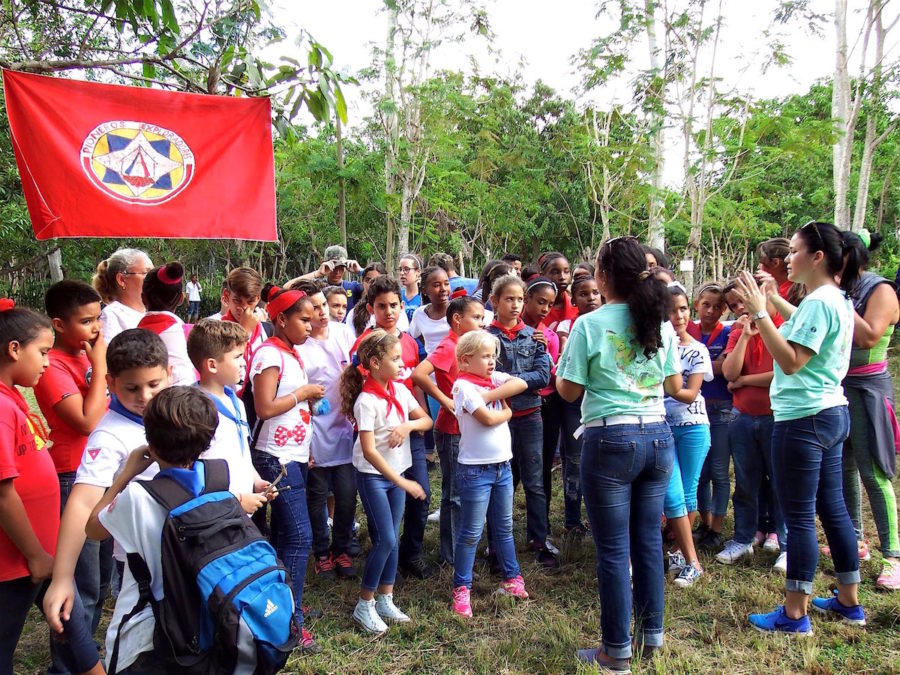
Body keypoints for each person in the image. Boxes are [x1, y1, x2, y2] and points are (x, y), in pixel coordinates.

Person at [734, 221, 865, 635]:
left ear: (817, 257)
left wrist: (760, 312)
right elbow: (803, 326)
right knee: (833, 508)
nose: (787, 258)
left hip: (803, 420)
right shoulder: (833, 298)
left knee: (801, 516)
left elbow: (791, 361)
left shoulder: (820, 302)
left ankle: (794, 614)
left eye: (793, 251)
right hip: (830, 413)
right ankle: (848, 601)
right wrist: (774, 300)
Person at [555, 236, 681, 669]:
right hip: (658, 436)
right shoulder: (661, 321)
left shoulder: (588, 325)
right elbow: (672, 383)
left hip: (610, 439)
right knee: (648, 541)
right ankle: (652, 637)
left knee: (612, 549)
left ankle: (615, 651)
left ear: (605, 277)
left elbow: (568, 392)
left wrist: (565, 366)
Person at [42, 329, 170, 664]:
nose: (145, 396)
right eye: (132, 388)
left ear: (169, 374)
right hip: (140, 565)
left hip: (182, 550)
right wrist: (62, 578)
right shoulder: (109, 436)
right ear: (111, 383)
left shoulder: (172, 413)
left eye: (154, 384)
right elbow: (83, 502)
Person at [84, 387, 219, 673]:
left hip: (145, 631)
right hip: (201, 622)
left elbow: (93, 528)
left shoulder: (137, 498)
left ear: (151, 444)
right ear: (206, 442)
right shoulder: (218, 479)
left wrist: (125, 475)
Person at [0, 303, 103, 675]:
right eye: (42, 352)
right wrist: (35, 554)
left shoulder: (12, 398)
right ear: (14, 350)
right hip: (17, 560)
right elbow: (3, 494)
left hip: (41, 554)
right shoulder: (1, 406)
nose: (47, 362)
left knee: (73, 628)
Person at [33, 281, 111, 658]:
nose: (96, 329)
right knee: (83, 583)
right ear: (59, 324)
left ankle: (84, 653)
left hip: (103, 473)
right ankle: (69, 663)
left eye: (98, 319)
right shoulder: (53, 366)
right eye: (86, 321)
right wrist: (100, 365)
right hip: (73, 477)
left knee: (103, 576)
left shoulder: (86, 356)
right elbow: (85, 421)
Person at [340, 330, 432, 634]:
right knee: (386, 539)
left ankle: (385, 598)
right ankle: (364, 604)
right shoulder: (366, 401)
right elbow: (369, 451)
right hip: (374, 477)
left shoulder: (400, 391)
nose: (402, 363)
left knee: (391, 536)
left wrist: (407, 426)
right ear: (376, 363)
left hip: (397, 474)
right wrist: (402, 483)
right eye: (395, 358)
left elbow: (426, 420)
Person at [249, 286, 324, 654]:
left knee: (284, 535)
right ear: (281, 319)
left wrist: (305, 448)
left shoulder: (291, 352)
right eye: (304, 319)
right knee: (299, 536)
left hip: (292, 455)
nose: (311, 325)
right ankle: (290, 624)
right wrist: (303, 393)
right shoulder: (269, 354)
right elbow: (264, 408)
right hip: (273, 458)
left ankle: (284, 603)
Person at [351, 276, 433, 579]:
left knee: (420, 493)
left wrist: (414, 423)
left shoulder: (409, 342)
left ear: (402, 306)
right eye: (381, 306)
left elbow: (415, 384)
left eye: (394, 305)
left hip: (406, 425)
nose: (389, 312)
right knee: (383, 501)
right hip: (377, 430)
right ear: (371, 309)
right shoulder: (365, 344)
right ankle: (386, 558)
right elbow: (356, 388)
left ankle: (411, 553)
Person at [450, 330, 530, 617]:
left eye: (493, 356)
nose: (492, 361)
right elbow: (486, 418)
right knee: (471, 532)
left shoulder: (490, 381)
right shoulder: (462, 386)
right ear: (465, 360)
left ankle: (512, 578)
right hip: (475, 471)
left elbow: (521, 383)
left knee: (504, 527)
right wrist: (507, 412)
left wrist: (490, 395)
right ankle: (461, 588)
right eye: (485, 356)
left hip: (502, 467)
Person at [838, 231, 900, 590]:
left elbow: (868, 337)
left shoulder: (880, 290)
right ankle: (855, 540)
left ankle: (893, 556)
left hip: (868, 390)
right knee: (844, 467)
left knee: (874, 473)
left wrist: (840, 301)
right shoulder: (840, 289)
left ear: (849, 256)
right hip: (840, 388)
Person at [487, 275, 557, 568]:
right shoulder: (485, 337)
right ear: (495, 301)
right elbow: (485, 376)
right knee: (500, 481)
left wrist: (508, 382)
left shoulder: (534, 336)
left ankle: (539, 539)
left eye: (519, 299)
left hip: (530, 417)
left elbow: (543, 376)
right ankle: (495, 544)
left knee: (534, 480)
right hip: (497, 420)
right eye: (509, 299)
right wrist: (520, 383)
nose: (515, 305)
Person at [717, 280, 787, 572]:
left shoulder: (782, 326)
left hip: (776, 415)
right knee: (746, 481)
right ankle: (743, 538)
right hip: (743, 417)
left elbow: (784, 371)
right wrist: (745, 337)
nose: (739, 308)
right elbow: (729, 372)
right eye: (733, 305)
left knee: (782, 481)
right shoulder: (738, 332)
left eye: (742, 300)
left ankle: (786, 542)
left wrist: (744, 380)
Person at [412, 295, 485, 565]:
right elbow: (419, 374)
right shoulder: (449, 345)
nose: (481, 322)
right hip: (451, 429)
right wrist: (444, 399)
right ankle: (452, 557)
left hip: (467, 428)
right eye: (476, 317)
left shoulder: (467, 346)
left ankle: (462, 550)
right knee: (454, 494)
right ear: (457, 320)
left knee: (465, 491)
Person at [293, 281, 359, 581]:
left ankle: (342, 547)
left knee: (346, 494)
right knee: (317, 495)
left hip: (344, 427)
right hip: (315, 430)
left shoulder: (344, 333)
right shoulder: (300, 346)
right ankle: (322, 552)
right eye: (314, 308)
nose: (322, 313)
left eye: (323, 305)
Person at [186, 318, 271, 513]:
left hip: (240, 507)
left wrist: (256, 480)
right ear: (212, 365)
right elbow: (193, 469)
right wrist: (237, 500)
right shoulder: (194, 408)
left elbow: (240, 452)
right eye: (237, 357)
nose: (244, 363)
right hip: (216, 510)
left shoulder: (237, 403)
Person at [663, 283, 712, 588]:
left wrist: (659, 384)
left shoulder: (697, 350)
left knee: (688, 491)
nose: (679, 316)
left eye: (683, 309)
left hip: (693, 427)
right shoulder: (656, 347)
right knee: (672, 493)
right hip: (662, 427)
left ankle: (685, 556)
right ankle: (684, 554)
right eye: (671, 310)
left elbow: (690, 393)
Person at [544, 274, 601, 538]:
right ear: (573, 299)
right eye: (584, 294)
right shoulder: (569, 325)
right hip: (574, 403)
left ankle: (593, 516)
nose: (591, 298)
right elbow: (566, 358)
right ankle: (573, 520)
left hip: (599, 402)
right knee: (574, 459)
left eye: (595, 293)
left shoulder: (610, 323)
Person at [687, 283, 732, 552]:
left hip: (722, 409)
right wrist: (712, 365)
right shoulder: (688, 331)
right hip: (695, 408)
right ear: (697, 305)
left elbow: (726, 368)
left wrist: (697, 365)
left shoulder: (727, 333)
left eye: (717, 307)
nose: (711, 311)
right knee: (700, 472)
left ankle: (717, 527)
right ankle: (704, 523)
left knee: (719, 471)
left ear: (724, 310)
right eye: (706, 305)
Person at [137, 262, 195, 386]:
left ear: (143, 298)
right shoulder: (188, 333)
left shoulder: (132, 336)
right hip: (188, 395)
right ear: (181, 298)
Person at [92, 247, 154, 344]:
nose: (154, 278)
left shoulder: (151, 314)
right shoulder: (111, 316)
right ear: (121, 279)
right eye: (147, 273)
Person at [294, 245, 364, 312]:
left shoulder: (353, 287)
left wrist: (361, 271)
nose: (337, 272)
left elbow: (371, 292)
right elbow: (289, 287)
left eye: (341, 268)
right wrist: (317, 273)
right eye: (333, 267)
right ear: (323, 263)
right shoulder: (316, 287)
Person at [409, 266, 452, 353]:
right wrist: (431, 350)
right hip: (432, 361)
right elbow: (416, 334)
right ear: (425, 290)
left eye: (446, 284)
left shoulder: (458, 310)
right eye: (437, 285)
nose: (443, 289)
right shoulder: (419, 314)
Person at [539, 252, 578, 332]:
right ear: (542, 275)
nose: (562, 277)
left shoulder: (578, 307)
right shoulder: (532, 308)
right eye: (555, 272)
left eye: (566, 271)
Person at [398, 254, 423, 322]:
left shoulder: (424, 296)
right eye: (400, 269)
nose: (402, 273)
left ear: (418, 271)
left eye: (406, 269)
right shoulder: (397, 295)